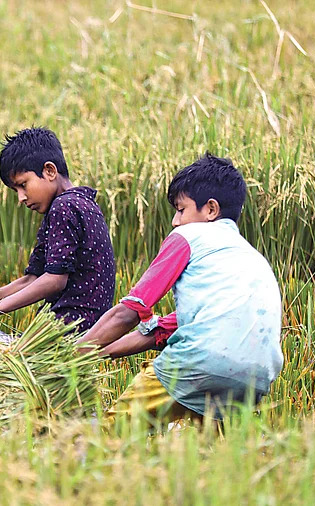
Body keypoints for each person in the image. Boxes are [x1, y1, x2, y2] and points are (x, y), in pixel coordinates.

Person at [78, 153, 284, 422]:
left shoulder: (188, 236)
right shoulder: (250, 259)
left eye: (181, 209)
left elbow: (129, 312)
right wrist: (99, 351)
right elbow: (159, 332)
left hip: (199, 362)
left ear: (210, 209)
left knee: (111, 433)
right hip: (256, 377)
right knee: (215, 455)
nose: (175, 221)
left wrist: (72, 356)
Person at [0, 127, 116, 334]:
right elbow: (33, 278)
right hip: (86, 332)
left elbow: (54, 280)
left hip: (68, 333)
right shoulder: (83, 204)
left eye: (23, 185)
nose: (21, 198)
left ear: (50, 171)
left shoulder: (64, 207)